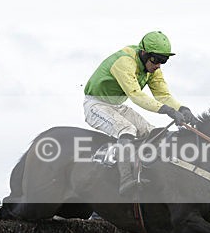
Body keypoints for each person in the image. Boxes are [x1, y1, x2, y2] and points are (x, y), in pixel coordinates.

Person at [83, 31, 196, 194]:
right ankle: (126, 179)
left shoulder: (153, 69)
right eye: (156, 60)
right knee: (127, 129)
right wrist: (167, 111)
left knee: (152, 132)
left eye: (163, 61)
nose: (158, 65)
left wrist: (181, 109)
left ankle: (150, 172)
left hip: (117, 106)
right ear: (144, 53)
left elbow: (163, 95)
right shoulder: (125, 62)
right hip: (95, 105)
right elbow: (135, 95)